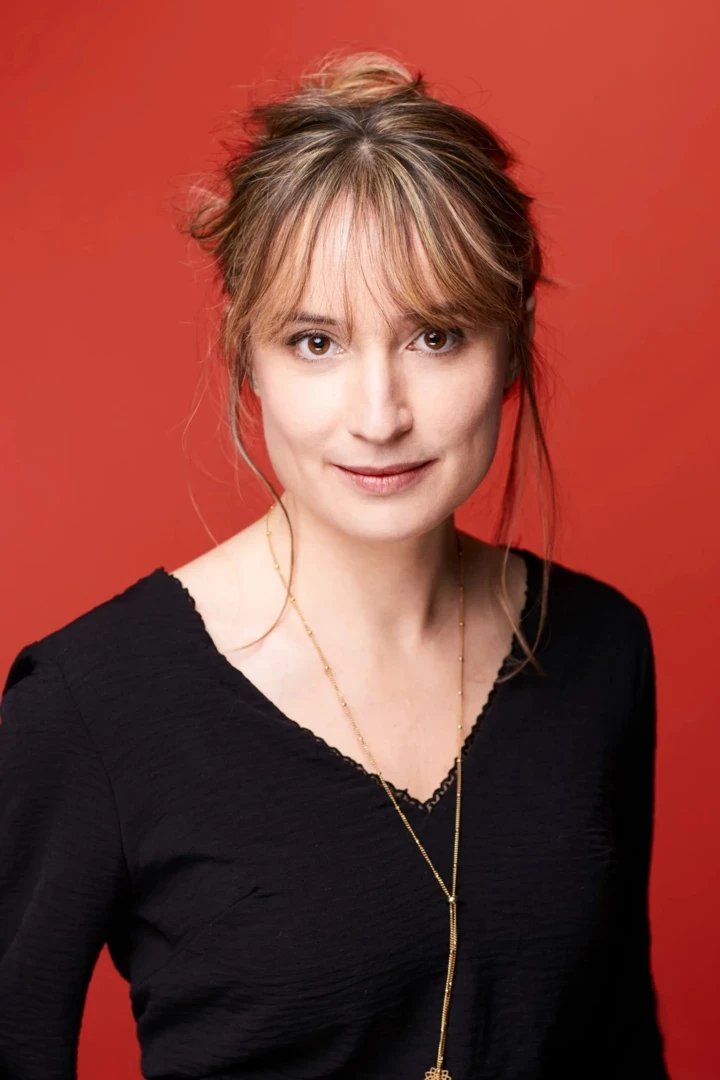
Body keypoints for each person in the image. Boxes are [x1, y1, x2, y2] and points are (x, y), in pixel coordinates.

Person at [0, 49, 670, 1080]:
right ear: (248, 355)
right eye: (316, 342)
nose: (378, 415)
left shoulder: (601, 649)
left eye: (436, 335)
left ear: (512, 340)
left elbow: (618, 1042)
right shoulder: (91, 703)